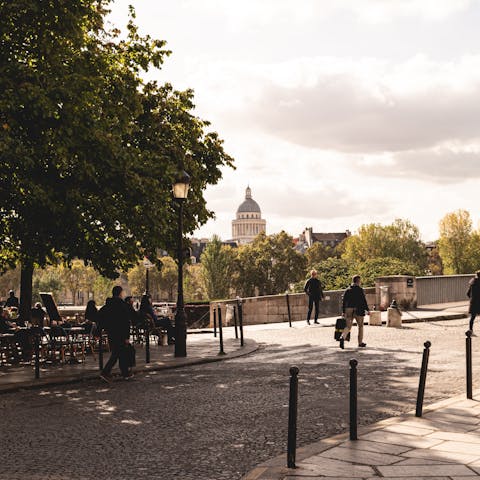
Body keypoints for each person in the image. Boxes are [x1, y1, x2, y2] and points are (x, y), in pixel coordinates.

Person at [98, 286, 133, 382]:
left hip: (111, 332)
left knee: (119, 353)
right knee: (117, 354)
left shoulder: (108, 305)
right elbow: (126, 322)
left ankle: (125, 373)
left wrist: (101, 329)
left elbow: (100, 317)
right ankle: (105, 372)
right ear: (120, 293)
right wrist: (127, 336)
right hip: (121, 333)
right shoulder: (122, 305)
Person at [339, 275, 369, 349]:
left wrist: (343, 311)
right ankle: (360, 342)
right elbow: (363, 301)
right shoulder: (360, 290)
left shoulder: (347, 290)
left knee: (348, 326)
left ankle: (342, 337)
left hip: (348, 309)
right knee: (360, 326)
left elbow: (344, 301)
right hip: (358, 309)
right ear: (358, 281)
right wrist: (367, 309)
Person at [467, 271, 480, 336]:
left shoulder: (472, 283)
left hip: (473, 302)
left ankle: (471, 330)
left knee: (472, 318)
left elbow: (468, 293)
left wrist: (472, 299)